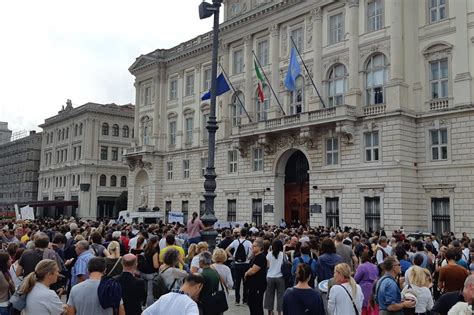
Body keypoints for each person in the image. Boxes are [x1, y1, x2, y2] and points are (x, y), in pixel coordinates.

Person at [226, 228, 252, 306]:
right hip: (246, 264)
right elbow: (253, 252)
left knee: (237, 283)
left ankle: (237, 300)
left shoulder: (235, 241)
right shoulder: (249, 242)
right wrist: (248, 258)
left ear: (240, 234)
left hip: (237, 264)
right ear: (246, 234)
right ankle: (245, 300)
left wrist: (233, 257)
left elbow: (227, 249)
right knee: (245, 283)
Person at [244, 238, 267, 315]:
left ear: (260, 248)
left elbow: (253, 271)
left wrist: (247, 273)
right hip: (252, 286)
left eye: (254, 246)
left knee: (256, 306)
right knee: (252, 305)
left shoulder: (261, 257)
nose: (252, 247)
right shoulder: (255, 256)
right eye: (252, 246)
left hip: (257, 286)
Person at [264, 239, 285, 315]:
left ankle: (270, 311)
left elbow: (267, 265)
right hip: (280, 276)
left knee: (269, 295)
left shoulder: (269, 254)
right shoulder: (283, 255)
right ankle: (280, 312)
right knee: (280, 296)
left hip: (270, 276)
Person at [138, 236, 159, 306]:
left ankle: (142, 305)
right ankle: (149, 307)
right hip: (151, 274)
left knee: (144, 290)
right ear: (156, 242)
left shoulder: (145, 249)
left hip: (142, 272)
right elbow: (155, 265)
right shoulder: (154, 252)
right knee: (150, 293)